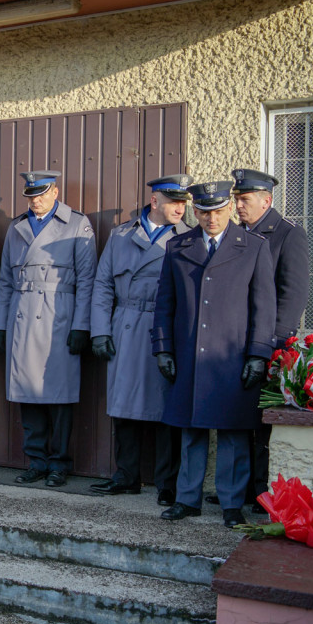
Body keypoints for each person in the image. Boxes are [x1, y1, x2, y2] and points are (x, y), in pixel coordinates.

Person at [152, 181, 276, 528]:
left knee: (233, 432)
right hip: (190, 354)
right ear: (196, 211)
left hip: (231, 356)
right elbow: (165, 303)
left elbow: (263, 307)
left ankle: (232, 503)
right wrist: (162, 348)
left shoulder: (252, 247)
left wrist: (258, 354)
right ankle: (187, 499)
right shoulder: (179, 246)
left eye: (218, 210)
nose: (211, 218)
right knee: (190, 430)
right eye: (204, 211)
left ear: (229, 209)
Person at [89, 175, 192, 506]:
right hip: (126, 325)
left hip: (165, 330)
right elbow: (103, 284)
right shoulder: (121, 235)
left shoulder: (188, 238)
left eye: (184, 203)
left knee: (166, 409)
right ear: (155, 202)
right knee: (124, 405)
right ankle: (126, 475)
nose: (180, 208)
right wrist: (101, 330)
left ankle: (167, 483)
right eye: (174, 202)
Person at [0, 171, 97, 488]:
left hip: (59, 316)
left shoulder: (77, 224)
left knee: (59, 396)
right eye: (30, 196)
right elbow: (6, 281)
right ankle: (36, 460)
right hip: (22, 316)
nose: (35, 201)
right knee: (28, 394)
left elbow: (88, 281)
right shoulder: (17, 227)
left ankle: (59, 463)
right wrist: (1, 323)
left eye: (41, 194)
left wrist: (82, 325)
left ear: (55, 192)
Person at [231, 168, 309, 513]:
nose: (238, 206)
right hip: (234, 342)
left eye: (244, 199)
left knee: (263, 422)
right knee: (237, 417)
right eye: (236, 199)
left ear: (267, 200)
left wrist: (273, 346)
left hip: (269, 344)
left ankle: (263, 493)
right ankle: (241, 488)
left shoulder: (287, 235)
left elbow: (292, 295)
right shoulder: (236, 235)